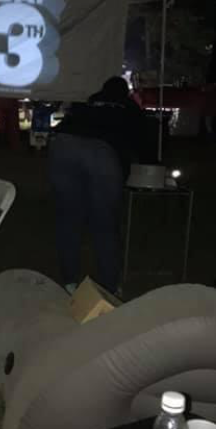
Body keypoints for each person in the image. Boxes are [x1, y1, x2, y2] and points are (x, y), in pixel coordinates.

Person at [48, 76, 147, 295]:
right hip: (102, 152)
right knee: (105, 223)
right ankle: (108, 286)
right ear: (125, 93)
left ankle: (69, 283)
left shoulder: (87, 103)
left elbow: (66, 124)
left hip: (62, 146)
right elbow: (143, 144)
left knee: (68, 219)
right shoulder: (129, 108)